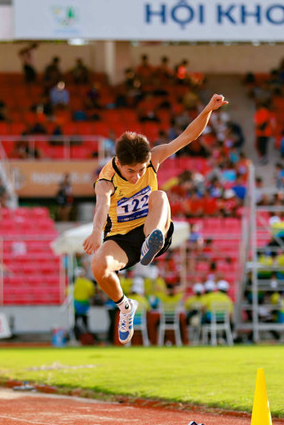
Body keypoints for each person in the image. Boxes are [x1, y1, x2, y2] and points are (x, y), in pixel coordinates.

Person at [82, 94, 228, 345]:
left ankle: (152, 240)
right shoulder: (106, 180)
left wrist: (207, 109)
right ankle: (125, 306)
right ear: (118, 163)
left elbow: (188, 136)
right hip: (123, 238)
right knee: (98, 266)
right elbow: (102, 205)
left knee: (159, 195)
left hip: (154, 225)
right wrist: (97, 232)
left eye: (141, 170)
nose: (137, 177)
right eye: (131, 171)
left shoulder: (154, 157)